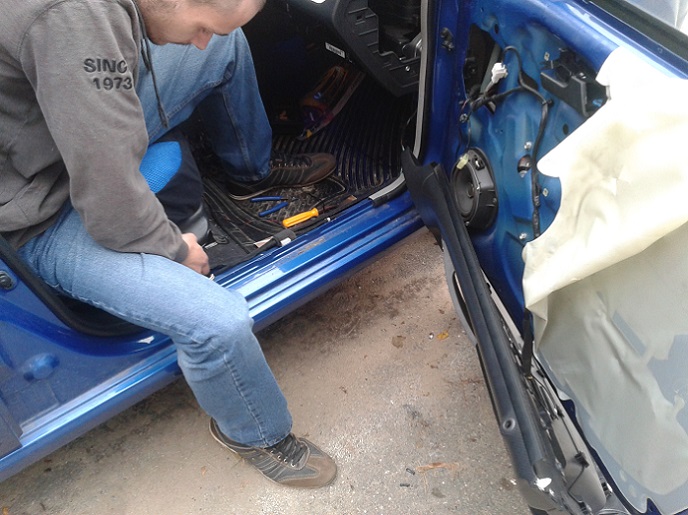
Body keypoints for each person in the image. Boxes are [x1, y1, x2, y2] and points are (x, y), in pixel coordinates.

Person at [0, 0, 337, 488]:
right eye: (201, 26)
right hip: (39, 212)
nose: (201, 41)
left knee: (226, 48)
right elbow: (109, 200)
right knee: (217, 323)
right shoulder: (73, 19)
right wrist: (177, 250)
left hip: (59, 132)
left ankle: (251, 172)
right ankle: (256, 434)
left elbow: (95, 120)